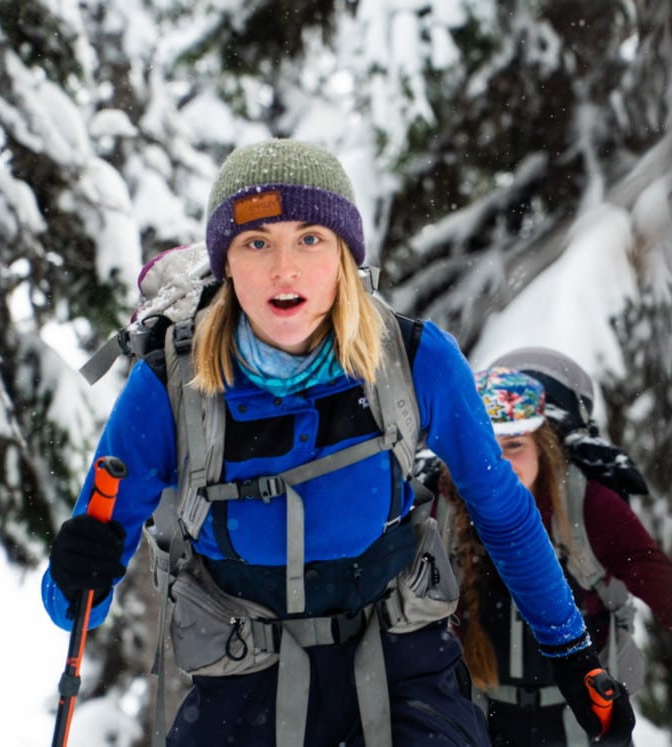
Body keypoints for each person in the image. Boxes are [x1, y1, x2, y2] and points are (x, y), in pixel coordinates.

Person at [41, 139, 635, 746]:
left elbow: (504, 515)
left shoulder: (415, 362)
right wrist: (76, 571)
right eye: (256, 242)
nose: (284, 268)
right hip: (242, 691)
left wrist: (573, 657)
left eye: (310, 238)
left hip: (403, 675)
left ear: (345, 256)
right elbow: (73, 607)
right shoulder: (169, 389)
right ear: (226, 264)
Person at [435, 360, 672, 747]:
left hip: (585, 721)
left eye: (515, 445)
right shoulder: (444, 508)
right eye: (486, 448)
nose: (499, 466)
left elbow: (663, 586)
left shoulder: (588, 508)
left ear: (542, 445)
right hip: (482, 719)